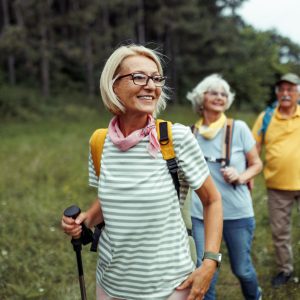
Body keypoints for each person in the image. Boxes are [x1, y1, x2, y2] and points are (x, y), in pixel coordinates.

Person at [61, 44, 223, 300]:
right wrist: (84, 219)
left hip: (170, 288)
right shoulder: (100, 142)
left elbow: (212, 200)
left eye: (156, 78)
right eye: (139, 77)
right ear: (114, 85)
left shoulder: (176, 138)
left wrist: (210, 262)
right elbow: (110, 198)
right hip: (110, 285)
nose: (151, 85)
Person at [187, 74, 263, 300]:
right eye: (213, 92)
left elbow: (257, 163)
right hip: (201, 214)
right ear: (201, 98)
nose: (219, 97)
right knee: (204, 271)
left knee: (242, 269)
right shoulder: (190, 134)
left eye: (223, 94)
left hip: (236, 213)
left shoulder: (238, 128)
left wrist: (241, 176)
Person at [252, 73, 300, 288]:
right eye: (282, 89)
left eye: (291, 89)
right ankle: (285, 269)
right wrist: (249, 174)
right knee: (280, 233)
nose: (286, 93)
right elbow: (254, 148)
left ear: (298, 93)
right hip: (277, 187)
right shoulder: (266, 117)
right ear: (277, 93)